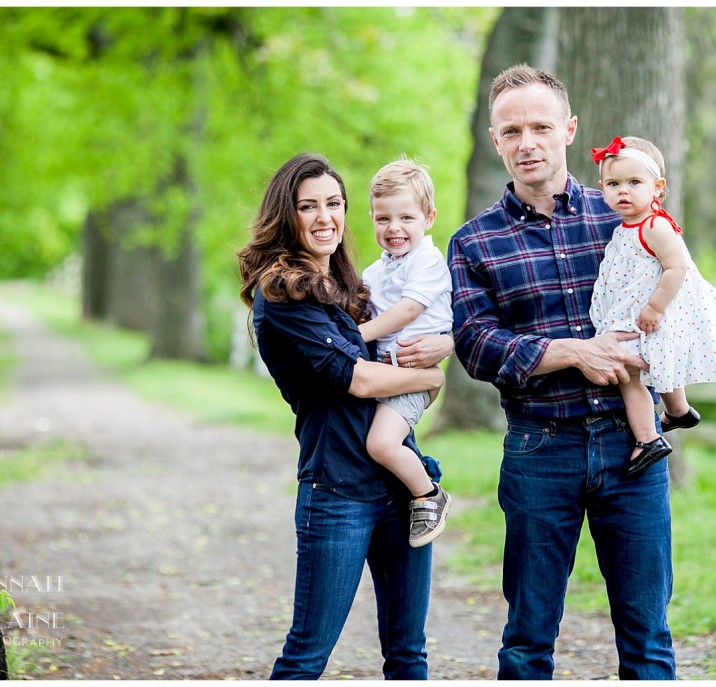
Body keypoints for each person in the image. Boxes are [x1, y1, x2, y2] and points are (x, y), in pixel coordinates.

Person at [447, 64, 676, 679]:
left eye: (541, 127)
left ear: (569, 130)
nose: (528, 143)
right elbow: (474, 345)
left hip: (634, 449)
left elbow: (677, 301)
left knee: (648, 636)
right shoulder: (474, 243)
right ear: (496, 140)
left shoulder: (623, 215)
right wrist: (576, 351)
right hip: (539, 449)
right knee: (527, 639)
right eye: (512, 130)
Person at [237, 152, 453, 680]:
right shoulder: (282, 295)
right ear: (285, 216)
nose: (324, 216)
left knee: (407, 654)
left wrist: (443, 346)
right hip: (337, 490)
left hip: (398, 491)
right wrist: (431, 378)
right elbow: (358, 377)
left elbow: (425, 328)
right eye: (307, 206)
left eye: (334, 203)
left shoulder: (351, 285)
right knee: (307, 655)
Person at [589, 135, 716, 478]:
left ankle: (648, 438)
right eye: (613, 183)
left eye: (634, 182)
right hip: (634, 310)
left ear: (658, 187)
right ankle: (679, 410)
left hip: (650, 314)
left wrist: (654, 308)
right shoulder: (628, 227)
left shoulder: (654, 226)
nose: (623, 191)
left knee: (629, 372)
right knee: (658, 365)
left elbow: (678, 267)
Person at [358, 157, 453, 548]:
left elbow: (408, 311)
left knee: (381, 444)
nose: (394, 228)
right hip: (385, 375)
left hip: (411, 376)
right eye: (383, 219)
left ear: (429, 218)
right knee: (382, 444)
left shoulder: (427, 261)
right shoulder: (373, 273)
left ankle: (429, 495)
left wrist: (358, 332)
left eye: (406, 218)